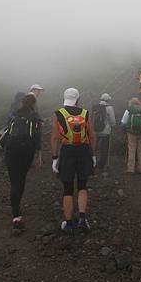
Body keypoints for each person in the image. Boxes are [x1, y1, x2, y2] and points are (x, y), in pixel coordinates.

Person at [50, 88, 97, 233]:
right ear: (77, 100)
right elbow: (92, 135)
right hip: (83, 151)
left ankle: (69, 223)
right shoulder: (85, 113)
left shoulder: (59, 114)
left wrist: (54, 157)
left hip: (67, 151)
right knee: (82, 185)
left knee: (68, 189)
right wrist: (93, 155)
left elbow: (55, 138)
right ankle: (82, 218)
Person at [2, 94, 43, 234]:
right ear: (33, 104)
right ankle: (18, 208)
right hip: (27, 151)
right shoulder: (34, 116)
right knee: (21, 178)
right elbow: (37, 137)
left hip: (11, 151)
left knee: (14, 181)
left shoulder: (13, 115)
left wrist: (6, 148)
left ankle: (16, 215)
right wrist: (38, 155)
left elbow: (5, 132)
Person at [121, 96, 141, 173]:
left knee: (132, 150)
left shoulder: (129, 110)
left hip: (131, 132)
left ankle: (130, 169)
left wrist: (125, 128)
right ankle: (140, 168)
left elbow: (124, 122)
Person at [94, 93, 116, 177]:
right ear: (108, 100)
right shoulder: (109, 108)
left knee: (94, 148)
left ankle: (93, 163)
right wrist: (112, 126)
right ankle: (101, 166)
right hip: (105, 132)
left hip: (95, 131)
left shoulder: (95, 107)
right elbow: (113, 121)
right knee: (104, 149)